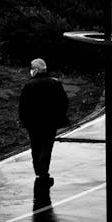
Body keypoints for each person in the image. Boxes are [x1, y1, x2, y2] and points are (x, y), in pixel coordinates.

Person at [18, 58, 68, 187]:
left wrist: (24, 121)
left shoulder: (29, 85)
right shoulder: (55, 83)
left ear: (36, 70)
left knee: (35, 145)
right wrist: (60, 117)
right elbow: (63, 102)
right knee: (47, 145)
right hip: (50, 122)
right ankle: (43, 170)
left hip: (33, 123)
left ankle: (38, 170)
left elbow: (23, 106)